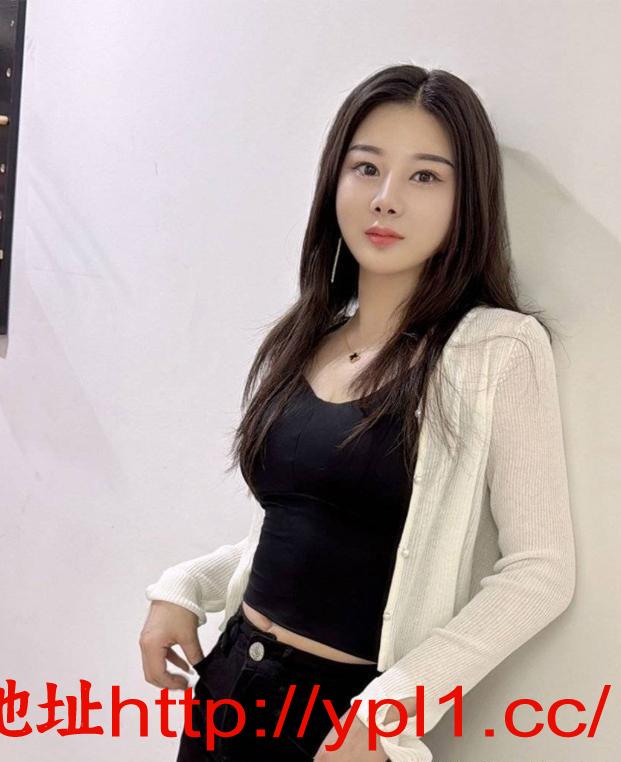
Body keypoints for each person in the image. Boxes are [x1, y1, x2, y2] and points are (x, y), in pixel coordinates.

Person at [139, 63, 576, 762]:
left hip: (344, 721)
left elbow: (540, 570)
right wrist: (185, 588)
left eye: (425, 176)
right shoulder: (307, 337)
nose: (385, 199)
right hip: (229, 684)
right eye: (366, 168)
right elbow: (297, 534)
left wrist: (385, 713)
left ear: (467, 199)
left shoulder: (495, 349)